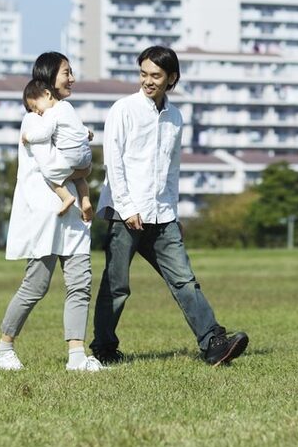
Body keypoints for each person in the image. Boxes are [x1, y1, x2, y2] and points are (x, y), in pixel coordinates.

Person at [90, 45, 249, 367]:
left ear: (171, 78)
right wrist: (127, 207)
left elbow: (171, 169)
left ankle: (214, 343)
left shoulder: (175, 117)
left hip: (162, 215)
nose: (148, 81)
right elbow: (114, 163)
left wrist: (172, 212)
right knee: (116, 286)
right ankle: (104, 349)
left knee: (185, 281)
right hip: (126, 214)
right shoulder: (124, 109)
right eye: (144, 74)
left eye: (156, 75)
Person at [0, 64, 103, 373]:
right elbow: (53, 169)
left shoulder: (64, 114)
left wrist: (83, 172)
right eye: (66, 72)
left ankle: (77, 356)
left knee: (80, 284)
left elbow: (82, 155)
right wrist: (83, 172)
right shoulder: (34, 119)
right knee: (36, 286)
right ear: (48, 80)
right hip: (47, 214)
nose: (72, 78)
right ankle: (4, 348)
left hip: (73, 215)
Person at [23, 79, 93, 220]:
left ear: (48, 94)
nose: (36, 112)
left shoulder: (50, 113)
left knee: (50, 175)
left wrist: (28, 137)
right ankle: (85, 201)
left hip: (70, 155)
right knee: (80, 178)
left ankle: (66, 197)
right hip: (86, 156)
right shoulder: (67, 106)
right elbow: (77, 127)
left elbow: (45, 133)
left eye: (35, 106)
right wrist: (87, 133)